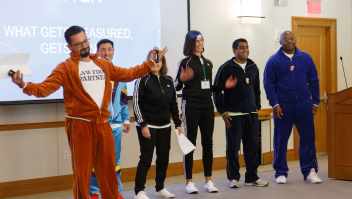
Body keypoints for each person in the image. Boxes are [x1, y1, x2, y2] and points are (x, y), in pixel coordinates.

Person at [11, 25, 168, 199]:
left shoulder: (103, 64)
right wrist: (24, 85)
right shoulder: (65, 68)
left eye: (85, 41)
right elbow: (44, 89)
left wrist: (151, 63)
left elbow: (129, 73)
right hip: (79, 125)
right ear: (69, 47)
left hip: (103, 124)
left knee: (108, 171)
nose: (84, 46)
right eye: (78, 44)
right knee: (82, 174)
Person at [264, 31, 321, 184]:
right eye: (286, 39)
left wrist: (315, 101)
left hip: (304, 104)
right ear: (280, 42)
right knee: (281, 139)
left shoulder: (305, 58)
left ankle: (310, 171)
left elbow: (314, 79)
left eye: (292, 38)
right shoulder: (274, 60)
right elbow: (268, 84)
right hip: (283, 106)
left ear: (296, 40)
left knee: (308, 138)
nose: (289, 41)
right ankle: (281, 172)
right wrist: (275, 103)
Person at [213, 38, 269, 188]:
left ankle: (252, 177)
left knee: (252, 147)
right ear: (234, 50)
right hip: (233, 115)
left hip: (251, 114)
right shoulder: (225, 68)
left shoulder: (253, 66)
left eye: (247, 47)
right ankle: (234, 178)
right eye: (242, 47)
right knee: (233, 147)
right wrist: (222, 111)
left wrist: (256, 107)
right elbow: (217, 91)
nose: (245, 50)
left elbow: (256, 89)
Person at [133, 50, 183, 199]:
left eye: (159, 60)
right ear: (148, 62)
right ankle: (139, 191)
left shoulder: (168, 80)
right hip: (148, 125)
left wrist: (178, 124)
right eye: (153, 60)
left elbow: (174, 103)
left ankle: (160, 188)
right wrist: (143, 125)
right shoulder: (142, 79)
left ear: (163, 63)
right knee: (146, 158)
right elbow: (136, 104)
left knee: (163, 158)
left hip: (165, 126)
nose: (156, 63)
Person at [174, 30, 218, 194]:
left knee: (208, 143)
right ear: (190, 43)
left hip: (207, 105)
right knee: (190, 143)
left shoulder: (208, 63)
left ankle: (208, 181)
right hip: (190, 105)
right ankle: (189, 182)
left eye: (201, 40)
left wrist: (223, 87)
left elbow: (208, 86)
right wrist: (182, 79)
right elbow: (175, 85)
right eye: (196, 41)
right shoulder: (184, 62)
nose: (200, 44)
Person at [89, 39, 131, 199]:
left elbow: (123, 100)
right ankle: (94, 191)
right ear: (98, 52)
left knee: (116, 160)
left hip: (116, 126)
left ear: (113, 51)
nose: (106, 53)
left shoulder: (119, 74)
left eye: (109, 49)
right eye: (103, 49)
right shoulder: (93, 73)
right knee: (96, 160)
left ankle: (116, 190)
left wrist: (126, 120)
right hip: (98, 125)